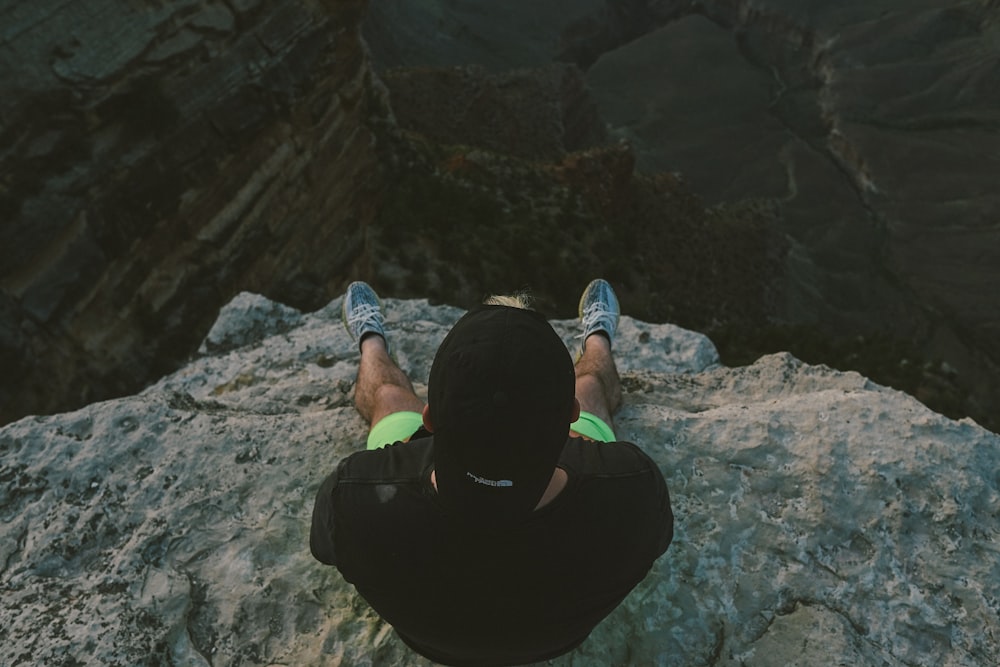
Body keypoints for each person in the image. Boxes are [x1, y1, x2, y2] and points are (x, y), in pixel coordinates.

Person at [310, 279, 673, 666]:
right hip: (551, 644)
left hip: (431, 644)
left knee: (386, 396)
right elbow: (656, 541)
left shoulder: (358, 496)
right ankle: (597, 339)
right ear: (570, 418)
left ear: (430, 417)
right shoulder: (630, 490)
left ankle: (371, 341)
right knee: (590, 385)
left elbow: (325, 549)